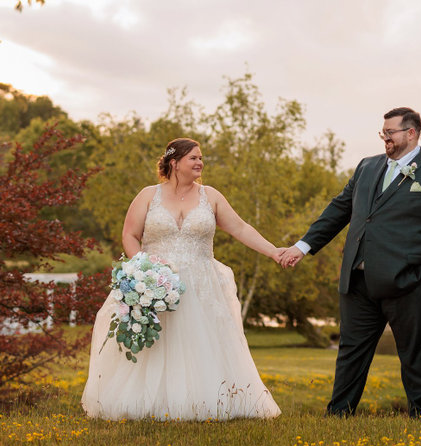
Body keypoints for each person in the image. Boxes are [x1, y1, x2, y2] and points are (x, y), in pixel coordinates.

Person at [281, 107, 421, 419]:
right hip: (358, 282)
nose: (385, 138)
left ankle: (420, 419)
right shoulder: (367, 167)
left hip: (409, 283)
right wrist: (303, 246)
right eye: (383, 132)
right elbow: (339, 210)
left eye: (391, 132)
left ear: (412, 133)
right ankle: (338, 416)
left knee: (414, 355)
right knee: (350, 353)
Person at [82, 138, 287, 420]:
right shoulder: (147, 195)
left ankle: (205, 401)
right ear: (174, 163)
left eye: (201, 158)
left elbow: (240, 228)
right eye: (193, 158)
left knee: (200, 343)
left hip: (201, 285)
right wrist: (143, 268)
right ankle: (150, 403)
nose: (200, 162)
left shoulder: (211, 196)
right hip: (155, 283)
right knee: (157, 344)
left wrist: (274, 252)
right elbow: (130, 235)